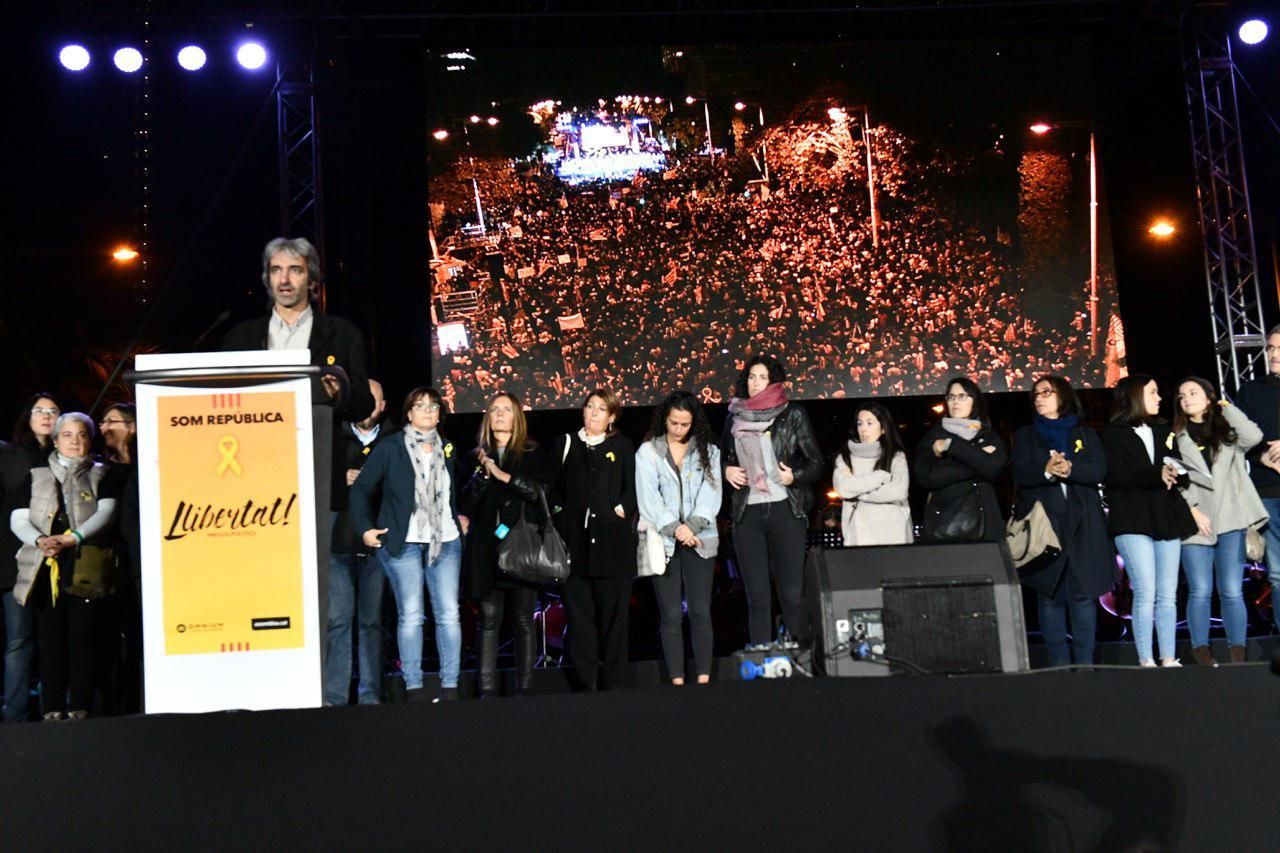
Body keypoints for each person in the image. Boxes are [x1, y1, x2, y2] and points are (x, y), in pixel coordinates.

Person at [222, 238, 375, 626]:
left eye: (295, 270)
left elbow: (362, 402)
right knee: (267, 589)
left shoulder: (341, 334)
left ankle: (331, 687)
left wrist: (340, 395)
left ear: (312, 279)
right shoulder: (241, 338)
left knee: (329, 600)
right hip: (256, 477)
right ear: (266, 279)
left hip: (320, 473)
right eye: (276, 270)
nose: (285, 279)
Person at [351, 386, 464, 703]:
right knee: (412, 614)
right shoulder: (391, 447)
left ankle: (451, 687)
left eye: (434, 405)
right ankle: (414, 688)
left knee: (449, 615)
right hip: (405, 541)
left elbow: (451, 493)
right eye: (420, 405)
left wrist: (458, 516)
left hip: (445, 540)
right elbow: (360, 489)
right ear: (409, 413)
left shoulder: (448, 447)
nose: (428, 410)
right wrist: (366, 530)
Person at [8, 413, 122, 720]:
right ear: (56, 440)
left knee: (83, 637)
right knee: (51, 639)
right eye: (68, 435)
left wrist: (73, 539)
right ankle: (53, 707)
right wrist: (41, 541)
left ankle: (80, 705)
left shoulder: (102, 473)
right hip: (46, 565)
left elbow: (106, 512)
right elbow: (18, 518)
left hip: (86, 564)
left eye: (82, 435)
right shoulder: (35, 476)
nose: (75, 441)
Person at [1010, 376, 1112, 668]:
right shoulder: (1027, 435)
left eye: (1046, 392)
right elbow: (1020, 473)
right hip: (1045, 530)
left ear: (1063, 397)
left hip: (1082, 527)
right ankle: (1059, 667)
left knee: (1082, 598)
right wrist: (1046, 470)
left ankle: (1085, 667)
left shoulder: (1084, 434)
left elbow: (1099, 470)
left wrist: (1070, 468)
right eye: (1036, 394)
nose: (1039, 398)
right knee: (1050, 598)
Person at [722, 355, 821, 645]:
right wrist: (726, 469)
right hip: (747, 513)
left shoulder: (793, 415)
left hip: (785, 509)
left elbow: (816, 462)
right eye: (751, 377)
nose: (755, 383)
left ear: (774, 381)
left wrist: (795, 476)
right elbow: (722, 458)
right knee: (757, 598)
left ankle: (801, 659)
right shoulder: (734, 416)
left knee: (791, 595)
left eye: (762, 377)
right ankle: (762, 662)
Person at [459, 392, 550, 696]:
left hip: (519, 546)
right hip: (485, 548)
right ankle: (487, 692)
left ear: (516, 417)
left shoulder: (531, 452)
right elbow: (464, 504)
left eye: (506, 410)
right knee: (488, 619)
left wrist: (502, 475)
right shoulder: (474, 456)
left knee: (523, 619)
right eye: (494, 410)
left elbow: (539, 493)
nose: (499, 415)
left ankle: (524, 691)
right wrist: (484, 476)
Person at [1101, 375, 1196, 668]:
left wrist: (1178, 472)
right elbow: (1115, 476)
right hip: (1131, 518)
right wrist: (1157, 474)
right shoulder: (1112, 434)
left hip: (1165, 517)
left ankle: (1168, 656)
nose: (1159, 398)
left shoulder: (1163, 430)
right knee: (1146, 589)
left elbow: (1181, 470)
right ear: (1134, 396)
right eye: (1152, 392)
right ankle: (1145, 659)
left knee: (1168, 592)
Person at [1173, 376, 1266, 665]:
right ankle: (1201, 649)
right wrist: (1192, 510)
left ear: (1209, 397)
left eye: (1193, 392)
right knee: (1200, 589)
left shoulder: (1227, 431)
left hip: (1231, 519)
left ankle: (1237, 651)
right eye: (1181, 394)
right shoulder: (1175, 436)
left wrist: (1228, 408)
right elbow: (1174, 481)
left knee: (1231, 589)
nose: (1186, 398)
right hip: (1195, 520)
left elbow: (1255, 437)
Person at [552, 389, 637, 692]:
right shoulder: (566, 443)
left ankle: (614, 684)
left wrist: (621, 509)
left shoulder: (622, 445)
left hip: (613, 547)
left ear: (612, 416)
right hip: (575, 548)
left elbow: (632, 489)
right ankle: (585, 683)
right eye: (590, 407)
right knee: (580, 620)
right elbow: (552, 492)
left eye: (601, 409)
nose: (594, 413)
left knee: (614, 622)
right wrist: (564, 520)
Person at [635, 391, 722, 685]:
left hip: (700, 539)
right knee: (670, 614)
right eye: (674, 423)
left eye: (685, 424)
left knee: (700, 611)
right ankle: (676, 680)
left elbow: (711, 496)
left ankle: (704, 678)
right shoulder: (648, 452)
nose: (679, 430)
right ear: (665, 419)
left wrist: (692, 527)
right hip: (665, 541)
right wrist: (675, 528)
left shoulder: (710, 452)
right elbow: (648, 499)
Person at [324, 379, 391, 704]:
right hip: (337, 544)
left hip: (377, 547)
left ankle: (370, 697)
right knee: (337, 621)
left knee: (372, 623)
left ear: (382, 405)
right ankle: (333, 697)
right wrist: (340, 479)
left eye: (373, 400)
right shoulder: (331, 436)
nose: (367, 406)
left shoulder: (394, 440)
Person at [0, 393, 62, 722]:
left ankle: (55, 706)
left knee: (54, 638)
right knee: (19, 638)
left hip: (59, 559)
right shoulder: (7, 454)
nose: (46, 416)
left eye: (53, 411)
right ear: (27, 416)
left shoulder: (66, 455)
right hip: (15, 561)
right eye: (39, 410)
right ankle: (15, 715)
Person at [914, 377, 1008, 544]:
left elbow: (995, 468)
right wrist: (977, 460)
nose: (955, 401)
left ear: (975, 401)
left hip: (985, 528)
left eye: (962, 396)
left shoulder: (987, 436)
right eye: (951, 397)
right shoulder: (934, 436)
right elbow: (926, 477)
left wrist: (951, 446)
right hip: (943, 526)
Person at [1232, 325, 1280, 633]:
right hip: (1268, 492)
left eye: (1279, 349)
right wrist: (1262, 454)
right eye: (1271, 348)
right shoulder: (1251, 391)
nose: (1273, 354)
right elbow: (1234, 438)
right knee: (1277, 574)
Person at [832, 401, 911, 546]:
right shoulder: (845, 457)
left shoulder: (895, 456)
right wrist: (879, 477)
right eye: (860, 423)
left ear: (883, 428)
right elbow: (843, 488)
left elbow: (899, 491)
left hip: (893, 530)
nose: (863, 429)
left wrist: (857, 493)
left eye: (869, 423)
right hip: (859, 531)